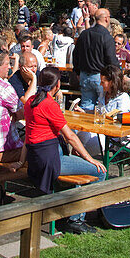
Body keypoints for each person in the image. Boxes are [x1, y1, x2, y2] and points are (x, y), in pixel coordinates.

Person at [22, 66, 106, 234]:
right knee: (100, 172)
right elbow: (71, 137)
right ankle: (77, 218)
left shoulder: (30, 102)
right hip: (51, 160)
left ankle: (71, 209)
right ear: (58, 84)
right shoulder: (49, 105)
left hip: (36, 157)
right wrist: (91, 159)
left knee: (74, 167)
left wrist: (21, 159)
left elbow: (28, 134)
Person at [72, 7, 119, 111]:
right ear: (106, 19)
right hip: (101, 78)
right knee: (103, 109)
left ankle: (83, 127)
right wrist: (118, 74)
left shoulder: (84, 34)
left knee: (85, 108)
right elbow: (111, 60)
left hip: (85, 75)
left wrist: (78, 71)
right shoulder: (106, 37)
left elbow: (75, 54)